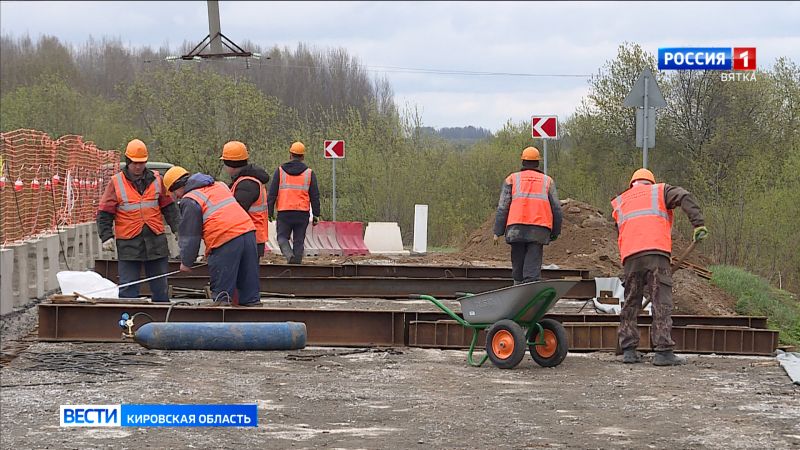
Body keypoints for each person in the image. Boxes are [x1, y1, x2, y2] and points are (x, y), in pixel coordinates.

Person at [611, 168, 708, 366]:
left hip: (630, 256)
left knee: (631, 301)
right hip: (656, 252)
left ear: (632, 184)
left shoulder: (621, 201)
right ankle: (663, 352)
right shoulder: (660, 191)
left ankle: (628, 349)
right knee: (660, 301)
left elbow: (619, 230)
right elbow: (684, 196)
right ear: (651, 182)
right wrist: (698, 224)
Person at [162, 166, 261, 307]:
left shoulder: (190, 199)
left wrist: (186, 262)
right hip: (248, 233)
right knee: (249, 293)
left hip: (225, 240)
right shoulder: (218, 185)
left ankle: (222, 321)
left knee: (222, 295)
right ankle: (255, 322)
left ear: (176, 188)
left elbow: (190, 235)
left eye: (173, 193)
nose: (176, 197)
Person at [97, 139, 180, 302]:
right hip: (129, 243)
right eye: (135, 163)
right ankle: (129, 322)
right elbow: (105, 212)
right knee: (128, 287)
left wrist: (178, 228)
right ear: (128, 162)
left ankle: (161, 322)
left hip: (155, 241)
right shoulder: (116, 182)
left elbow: (169, 207)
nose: (138, 166)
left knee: (160, 287)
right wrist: (106, 236)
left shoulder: (157, 179)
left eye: (141, 163)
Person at [493, 146, 562, 284]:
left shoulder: (512, 179)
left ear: (523, 161)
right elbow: (556, 209)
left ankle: (518, 291)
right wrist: (555, 232)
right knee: (532, 269)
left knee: (518, 266)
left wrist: (497, 232)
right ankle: (529, 294)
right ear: (538, 162)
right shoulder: (547, 181)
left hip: (516, 228)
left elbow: (503, 207)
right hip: (539, 229)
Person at [266, 141, 321, 264]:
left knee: (281, 237)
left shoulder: (280, 171)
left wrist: (269, 212)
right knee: (299, 240)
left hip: (284, 212)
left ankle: (289, 255)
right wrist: (316, 214)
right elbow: (315, 195)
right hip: (302, 212)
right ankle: (297, 265)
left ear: (290, 155)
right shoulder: (309, 173)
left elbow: (272, 193)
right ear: (303, 156)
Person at [220, 140, 270, 258]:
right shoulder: (246, 181)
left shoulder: (246, 184)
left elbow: (235, 213)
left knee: (246, 276)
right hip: (251, 237)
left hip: (248, 238)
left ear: (230, 164)